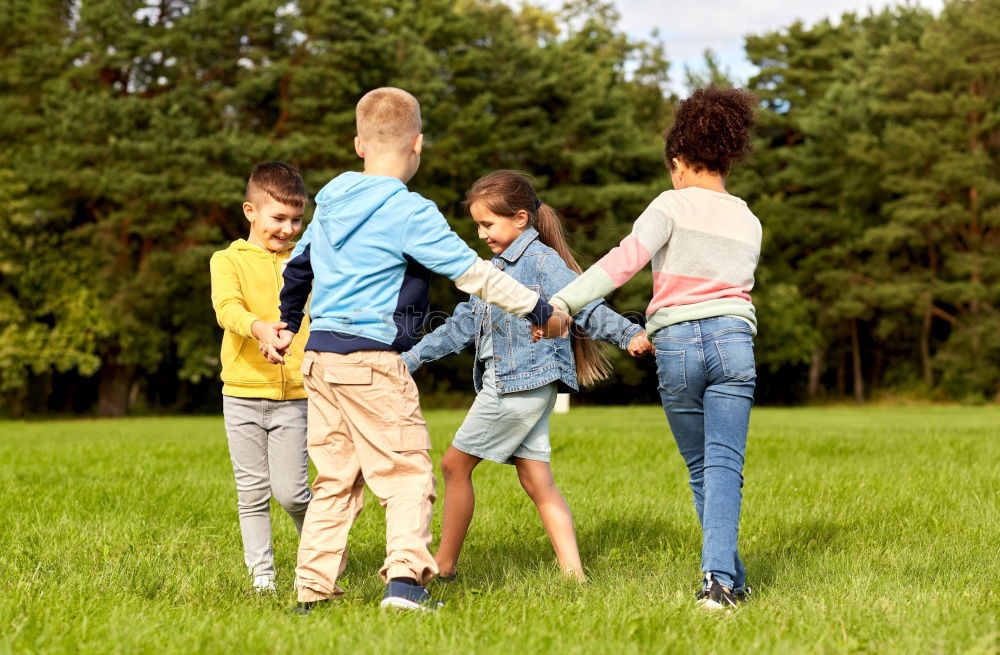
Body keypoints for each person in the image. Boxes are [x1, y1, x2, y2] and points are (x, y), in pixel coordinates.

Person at [262, 88, 572, 613]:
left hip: (319, 359)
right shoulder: (408, 210)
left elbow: (299, 268)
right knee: (406, 472)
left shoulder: (334, 196)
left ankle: (311, 592)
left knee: (335, 478)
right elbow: (473, 274)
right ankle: (405, 583)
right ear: (418, 144)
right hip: (373, 362)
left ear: (359, 144)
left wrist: (288, 323)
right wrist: (541, 311)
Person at [541, 86, 762, 611]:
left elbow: (623, 261)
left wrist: (562, 303)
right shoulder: (748, 218)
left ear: (680, 161)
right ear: (726, 159)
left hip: (680, 344)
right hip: (734, 341)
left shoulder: (670, 203)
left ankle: (720, 581)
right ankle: (727, 579)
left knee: (701, 467)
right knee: (725, 464)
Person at [403, 170, 648, 582]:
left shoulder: (540, 261)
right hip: (524, 384)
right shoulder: (492, 269)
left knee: (453, 467)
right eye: (477, 225)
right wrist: (411, 358)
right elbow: (462, 325)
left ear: (520, 218)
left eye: (488, 224)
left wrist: (629, 335)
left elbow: (584, 302)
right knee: (537, 480)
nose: (481, 234)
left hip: (517, 384)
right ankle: (575, 576)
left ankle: (442, 566)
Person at [209, 161, 313, 593]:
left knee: (292, 493)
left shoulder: (306, 262)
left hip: (297, 396)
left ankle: (321, 555)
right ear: (250, 211)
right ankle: (262, 576)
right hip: (244, 393)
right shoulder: (227, 260)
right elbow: (227, 307)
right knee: (251, 491)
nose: (288, 228)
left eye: (296, 219)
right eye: (279, 218)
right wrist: (257, 328)